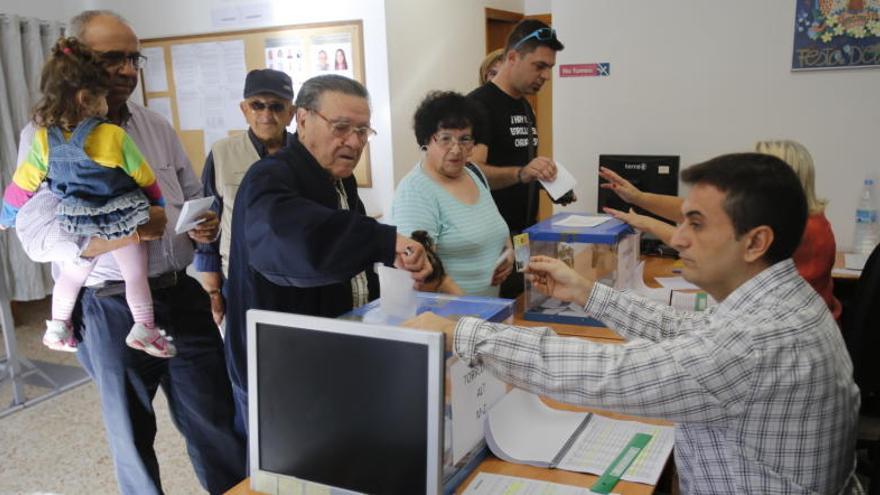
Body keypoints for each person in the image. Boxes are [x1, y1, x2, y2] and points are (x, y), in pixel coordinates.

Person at [411, 153, 860, 494]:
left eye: (696, 225)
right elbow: (686, 335)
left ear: (755, 242)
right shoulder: (780, 300)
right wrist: (588, 292)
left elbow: (610, 375)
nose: (678, 237)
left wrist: (463, 331)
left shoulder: (758, 341)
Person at [13, 10, 245, 494]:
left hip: (179, 294)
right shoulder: (47, 136)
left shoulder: (153, 124)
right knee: (133, 441)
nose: (126, 70)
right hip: (109, 306)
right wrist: (130, 230)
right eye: (110, 58)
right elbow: (35, 237)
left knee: (219, 425)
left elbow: (184, 193)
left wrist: (203, 224)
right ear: (76, 63)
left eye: (131, 58)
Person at [224, 74, 433, 433]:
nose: (353, 142)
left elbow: (349, 254)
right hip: (281, 368)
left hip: (332, 355)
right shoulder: (271, 177)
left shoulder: (340, 179)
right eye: (341, 128)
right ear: (303, 119)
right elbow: (298, 241)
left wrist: (395, 257)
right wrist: (384, 242)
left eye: (363, 131)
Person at [1, 37, 175, 358]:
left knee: (71, 274)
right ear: (87, 98)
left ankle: (57, 326)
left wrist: (6, 216)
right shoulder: (111, 135)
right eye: (102, 96)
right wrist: (157, 204)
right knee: (135, 273)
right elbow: (144, 176)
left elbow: (21, 187)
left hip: (76, 219)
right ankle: (145, 329)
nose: (106, 103)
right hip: (121, 215)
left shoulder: (42, 140)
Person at [602, 139, 842, 320]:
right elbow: (692, 211)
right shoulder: (806, 216)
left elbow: (708, 241)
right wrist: (639, 197)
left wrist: (648, 223)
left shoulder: (800, 230)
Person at [468, 19, 566, 298]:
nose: (546, 76)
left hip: (523, 236)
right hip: (493, 243)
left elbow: (521, 165)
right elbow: (472, 173)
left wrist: (546, 179)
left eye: (549, 68)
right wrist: (521, 173)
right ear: (512, 57)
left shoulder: (524, 105)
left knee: (526, 301)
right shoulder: (479, 105)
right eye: (539, 66)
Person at [195, 68, 295, 325]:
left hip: (297, 278)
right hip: (240, 281)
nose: (266, 115)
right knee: (247, 360)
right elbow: (209, 223)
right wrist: (213, 291)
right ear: (244, 109)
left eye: (276, 106)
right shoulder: (222, 153)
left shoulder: (306, 154)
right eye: (257, 105)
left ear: (291, 113)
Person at [392, 91, 513, 297]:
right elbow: (421, 276)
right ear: (426, 141)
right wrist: (471, 311)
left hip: (486, 313)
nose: (456, 150)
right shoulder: (416, 191)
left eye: (465, 139)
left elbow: (495, 227)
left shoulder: (474, 174)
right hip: (448, 318)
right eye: (445, 139)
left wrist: (508, 254)